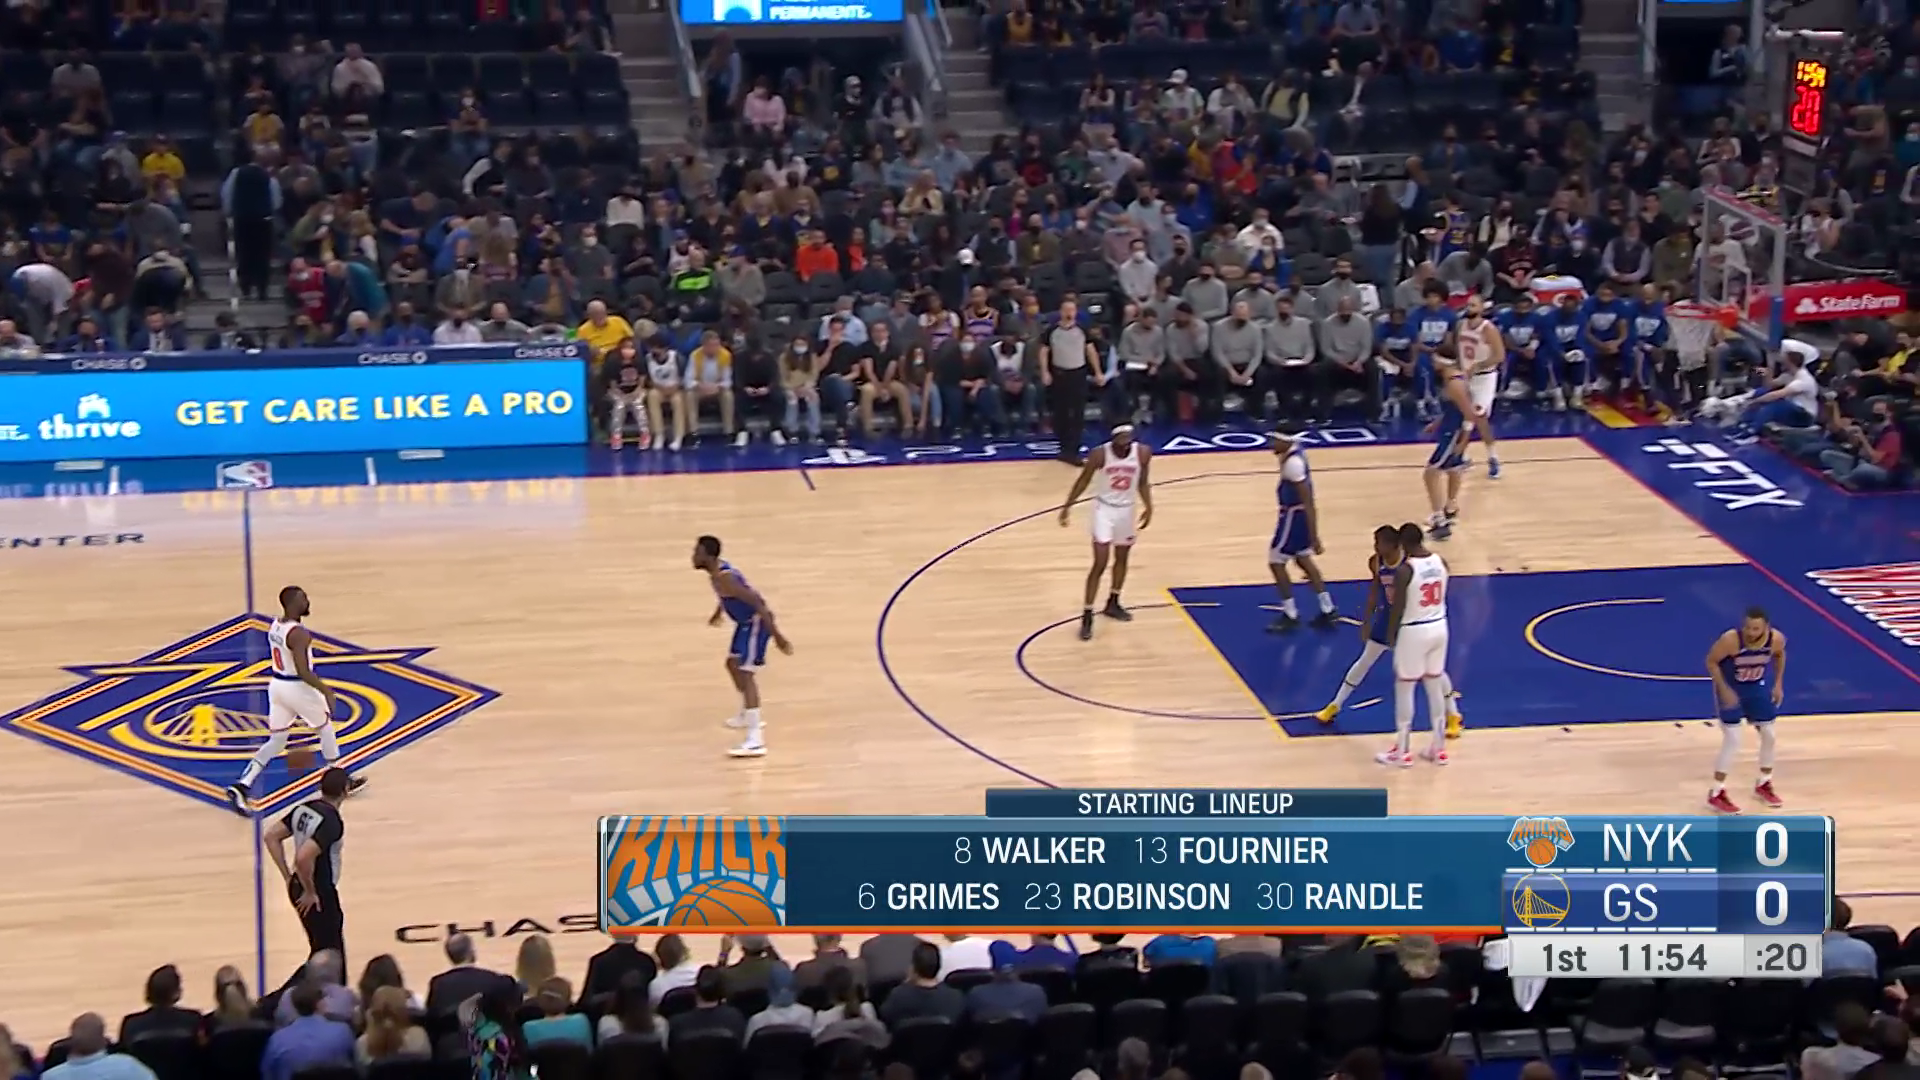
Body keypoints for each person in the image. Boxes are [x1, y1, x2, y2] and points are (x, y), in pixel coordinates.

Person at [226, 586, 365, 813]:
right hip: (296, 687)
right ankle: (341, 779)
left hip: (277, 686)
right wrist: (326, 691)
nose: (307, 602)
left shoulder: (275, 625)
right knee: (325, 728)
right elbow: (303, 670)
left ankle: (243, 784)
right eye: (303, 599)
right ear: (292, 604)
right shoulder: (298, 634)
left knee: (277, 740)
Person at [695, 535, 793, 759]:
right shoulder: (717, 573)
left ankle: (755, 740)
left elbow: (758, 603)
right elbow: (727, 596)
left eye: (697, 553)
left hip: (756, 623)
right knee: (732, 665)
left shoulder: (726, 578)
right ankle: (746, 714)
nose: (693, 557)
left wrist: (777, 636)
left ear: (709, 556)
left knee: (746, 674)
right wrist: (718, 612)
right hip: (744, 624)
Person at [1057, 424, 1154, 641]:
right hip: (1104, 509)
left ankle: (1113, 602)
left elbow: (1142, 482)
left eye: (1128, 438)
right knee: (1100, 562)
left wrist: (1149, 506)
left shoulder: (1143, 452)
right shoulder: (1100, 454)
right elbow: (1083, 480)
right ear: (1113, 438)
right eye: (1121, 439)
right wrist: (1067, 507)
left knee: (1122, 558)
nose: (1125, 443)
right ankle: (1087, 615)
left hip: (1127, 510)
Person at [262, 768, 355, 965]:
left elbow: (271, 836)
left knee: (320, 950)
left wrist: (288, 877)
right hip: (318, 895)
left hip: (298, 885)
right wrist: (310, 891)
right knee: (331, 957)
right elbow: (303, 857)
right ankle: (300, 984)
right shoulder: (332, 822)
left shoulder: (304, 808)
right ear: (345, 790)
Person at [1378, 523, 1452, 768]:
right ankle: (1439, 748)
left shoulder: (1405, 570)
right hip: (1439, 626)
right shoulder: (1441, 562)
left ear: (1403, 544)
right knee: (1434, 686)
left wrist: (1391, 635)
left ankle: (1402, 751)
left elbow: (1398, 607)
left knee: (1405, 688)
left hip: (1414, 630)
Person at [1704, 607, 1786, 813]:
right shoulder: (1731, 640)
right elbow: (1711, 661)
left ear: (1766, 627)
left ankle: (1764, 783)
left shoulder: (1776, 639)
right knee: (1733, 740)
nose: (1750, 632)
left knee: (1769, 735)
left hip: (1755, 688)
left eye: (1755, 629)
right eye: (1747, 627)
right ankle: (1716, 792)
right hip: (1732, 688)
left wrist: (1778, 684)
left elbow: (1779, 655)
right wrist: (1723, 690)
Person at [1265, 429, 1336, 633]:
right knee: (1303, 559)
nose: (1270, 444)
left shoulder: (1293, 465)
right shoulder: (1293, 455)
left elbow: (1308, 501)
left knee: (1276, 561)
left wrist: (1314, 535)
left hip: (1294, 518)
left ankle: (1290, 614)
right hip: (1296, 517)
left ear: (1286, 441)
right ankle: (1328, 608)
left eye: (1274, 440)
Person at [1420, 353, 1477, 541]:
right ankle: (1450, 508)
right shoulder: (1453, 378)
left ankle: (1440, 522)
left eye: (1435, 359)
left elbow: (1470, 414)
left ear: (1443, 361)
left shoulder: (1454, 383)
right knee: (1453, 468)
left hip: (1453, 434)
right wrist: (1437, 423)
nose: (1432, 362)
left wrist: (1463, 441)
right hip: (1450, 429)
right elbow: (1454, 409)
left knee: (1431, 473)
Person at [1454, 297, 1505, 479]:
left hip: (1485, 378)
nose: (1469, 308)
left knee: (1478, 416)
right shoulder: (1460, 325)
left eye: (1473, 305)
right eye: (1468, 304)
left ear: (1482, 308)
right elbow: (1459, 350)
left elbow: (1499, 356)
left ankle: (1493, 457)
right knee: (1464, 418)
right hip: (1466, 377)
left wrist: (1478, 366)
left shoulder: (1488, 328)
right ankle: (1460, 457)